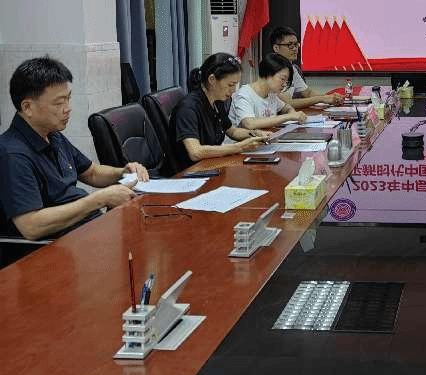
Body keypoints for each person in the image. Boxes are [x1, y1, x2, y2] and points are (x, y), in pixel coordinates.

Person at [0, 56, 148, 241]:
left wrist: (123, 172)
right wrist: (99, 199)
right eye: (58, 103)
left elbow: (91, 173)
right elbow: (31, 226)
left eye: (68, 99)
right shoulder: (12, 155)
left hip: (87, 229)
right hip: (58, 245)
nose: (67, 109)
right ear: (28, 107)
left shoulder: (52, 135)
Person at [170, 53, 268, 169]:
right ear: (212, 79)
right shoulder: (188, 108)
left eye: (235, 85)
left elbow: (232, 131)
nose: (233, 90)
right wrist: (238, 147)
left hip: (209, 166)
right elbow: (195, 152)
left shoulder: (217, 101)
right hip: (188, 172)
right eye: (230, 85)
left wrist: (254, 134)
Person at [269, 26, 344, 109]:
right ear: (276, 48)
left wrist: (330, 97)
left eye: (296, 45)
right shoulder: (271, 70)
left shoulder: (292, 68)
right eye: (290, 45)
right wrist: (321, 99)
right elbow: (288, 103)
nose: (295, 49)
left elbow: (307, 93)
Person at [229, 53, 307, 129]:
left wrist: (291, 112)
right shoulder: (244, 95)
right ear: (268, 73)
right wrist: (288, 117)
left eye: (286, 81)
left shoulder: (271, 94)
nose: (284, 84)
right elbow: (249, 123)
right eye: (282, 79)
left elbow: (285, 107)